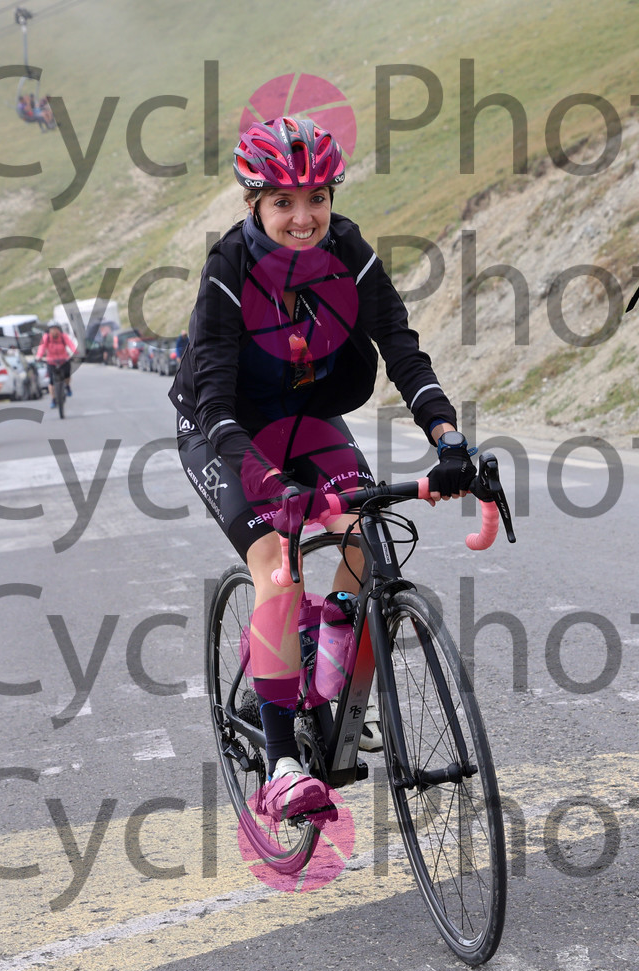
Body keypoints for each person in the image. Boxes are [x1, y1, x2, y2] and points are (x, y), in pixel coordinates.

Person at [171, 117, 475, 823]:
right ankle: (281, 763)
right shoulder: (228, 270)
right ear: (254, 204)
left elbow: (401, 347)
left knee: (367, 537)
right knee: (277, 565)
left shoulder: (347, 251)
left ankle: (327, 662)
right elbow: (214, 403)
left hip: (306, 416)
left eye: (317, 199)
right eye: (283, 202)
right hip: (223, 429)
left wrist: (448, 436)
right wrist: (269, 485)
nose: (303, 217)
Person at [38, 323, 76, 406]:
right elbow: (42, 347)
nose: (54, 331)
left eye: (56, 329)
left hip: (63, 360)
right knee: (51, 381)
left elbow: (71, 345)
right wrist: (39, 356)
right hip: (51, 361)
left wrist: (75, 353)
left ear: (59, 330)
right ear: (49, 330)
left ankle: (67, 386)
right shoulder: (46, 337)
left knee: (67, 374)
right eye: (52, 329)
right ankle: (53, 399)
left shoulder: (63, 336)